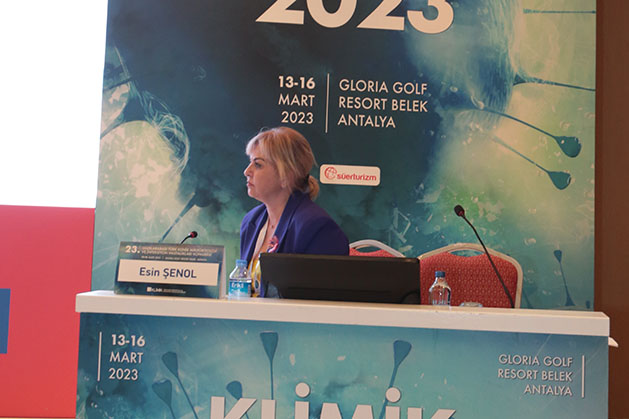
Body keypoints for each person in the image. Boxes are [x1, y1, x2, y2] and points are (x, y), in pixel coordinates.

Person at [240, 126, 349, 297]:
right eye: (250, 162)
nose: (247, 171)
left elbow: (322, 303)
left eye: (258, 164)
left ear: (286, 175)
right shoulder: (251, 220)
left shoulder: (317, 227)